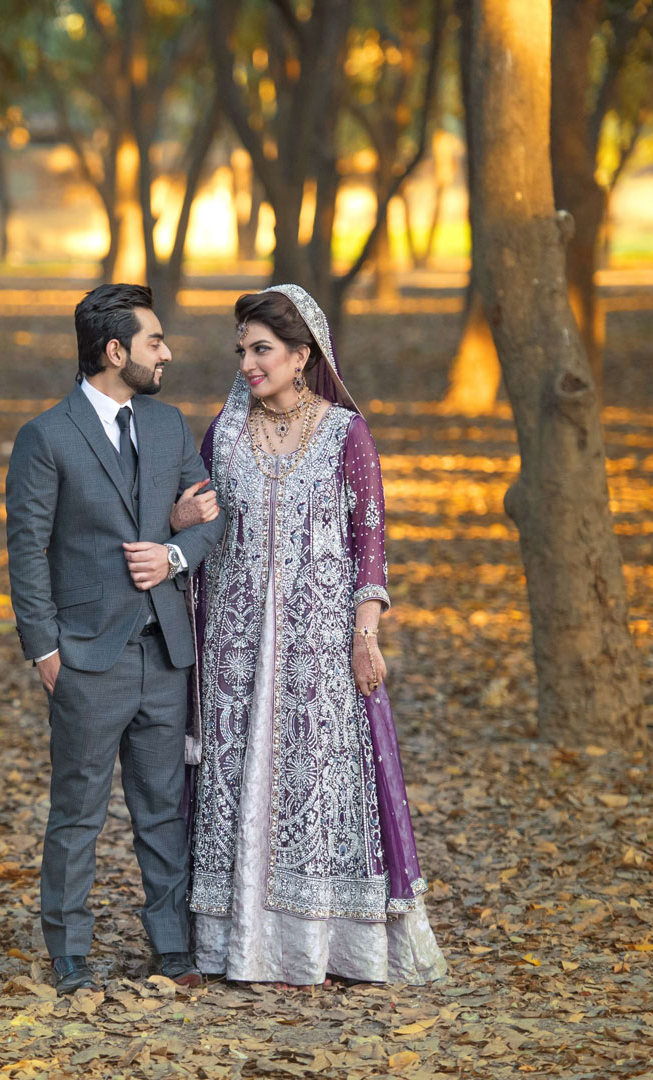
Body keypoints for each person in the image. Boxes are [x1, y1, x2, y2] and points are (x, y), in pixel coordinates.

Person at [185, 284, 447, 986]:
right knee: (237, 780)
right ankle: (235, 945)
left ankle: (321, 947)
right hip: (235, 648)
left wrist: (366, 634)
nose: (246, 363)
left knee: (319, 781)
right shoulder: (225, 433)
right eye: (241, 350)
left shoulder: (344, 434)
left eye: (261, 349)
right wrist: (182, 523)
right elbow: (203, 530)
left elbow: (371, 542)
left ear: (302, 355)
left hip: (319, 649)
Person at [5, 283, 226, 994]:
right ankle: (68, 951)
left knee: (162, 808)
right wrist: (45, 650)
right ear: (114, 351)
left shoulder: (166, 427)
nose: (166, 352)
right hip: (86, 659)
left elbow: (212, 515)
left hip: (164, 650)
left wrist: (175, 552)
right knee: (78, 811)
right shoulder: (46, 437)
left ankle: (172, 948)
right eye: (154, 341)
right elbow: (26, 550)